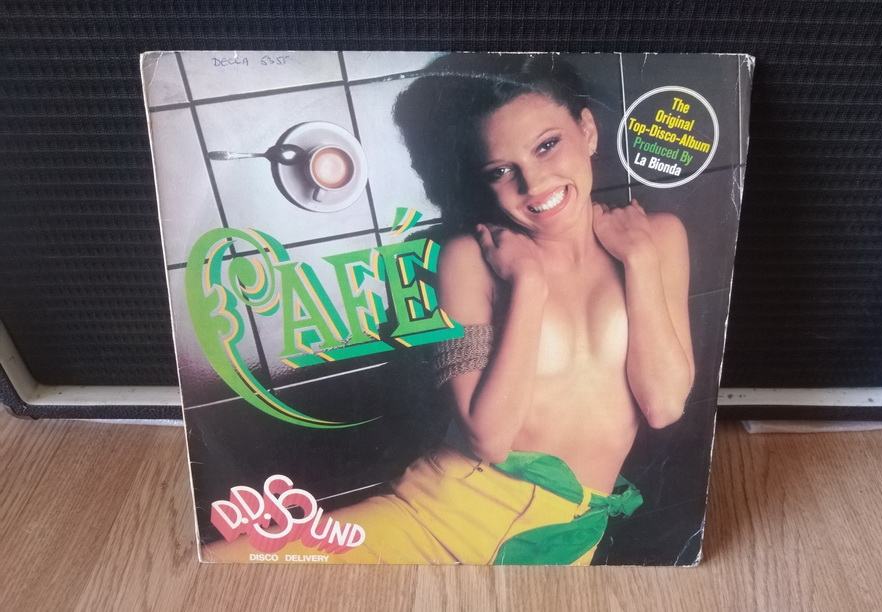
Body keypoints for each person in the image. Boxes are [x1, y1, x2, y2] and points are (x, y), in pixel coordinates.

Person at [209, 54, 694, 565]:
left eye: (547, 145)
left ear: (587, 131)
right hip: (444, 514)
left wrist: (639, 259)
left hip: (563, 542)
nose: (533, 184)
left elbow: (664, 405)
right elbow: (490, 438)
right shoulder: (471, 259)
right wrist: (527, 285)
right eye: (502, 170)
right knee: (231, 567)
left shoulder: (656, 240)